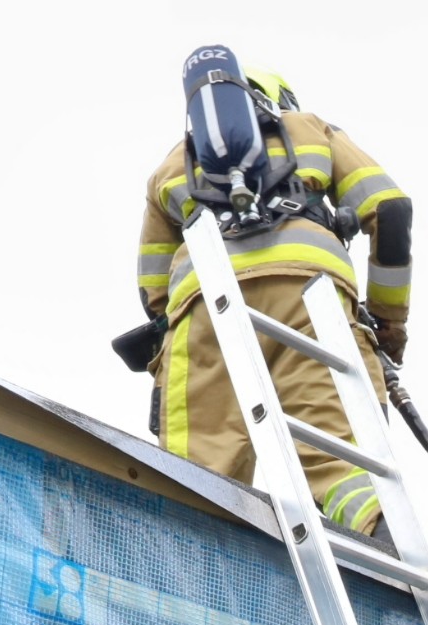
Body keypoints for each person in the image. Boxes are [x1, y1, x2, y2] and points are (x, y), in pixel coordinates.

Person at [133, 59, 412, 537]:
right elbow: (389, 208)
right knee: (344, 463)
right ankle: (389, 562)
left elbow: (154, 289)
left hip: (205, 314)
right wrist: (388, 321)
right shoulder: (311, 130)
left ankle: (191, 577)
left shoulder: (173, 163)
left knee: (195, 483)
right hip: (311, 303)